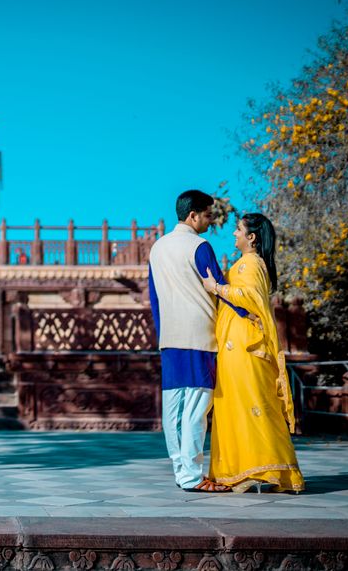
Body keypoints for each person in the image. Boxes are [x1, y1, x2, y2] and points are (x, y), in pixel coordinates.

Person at [148, 189, 251, 493]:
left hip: (170, 337)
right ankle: (192, 476)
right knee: (195, 408)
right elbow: (219, 287)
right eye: (207, 215)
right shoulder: (199, 245)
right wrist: (248, 313)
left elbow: (154, 298)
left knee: (174, 407)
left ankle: (183, 472)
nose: (210, 221)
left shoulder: (158, 248)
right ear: (192, 215)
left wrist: (161, 334)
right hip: (198, 337)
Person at [201, 213, 305, 493]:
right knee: (238, 405)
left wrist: (217, 288)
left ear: (252, 237)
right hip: (234, 344)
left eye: (238, 230)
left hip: (245, 346)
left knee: (251, 404)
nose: (234, 234)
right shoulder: (247, 263)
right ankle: (244, 471)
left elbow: (251, 299)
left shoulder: (250, 263)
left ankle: (264, 469)